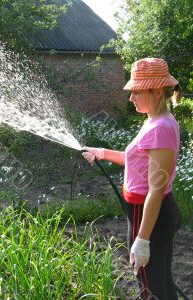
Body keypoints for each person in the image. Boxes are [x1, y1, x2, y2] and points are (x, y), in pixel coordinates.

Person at [82, 58, 182, 300]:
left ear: (157, 91)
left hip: (147, 216)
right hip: (156, 215)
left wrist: (143, 239)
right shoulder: (155, 121)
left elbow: (155, 190)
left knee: (149, 288)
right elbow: (139, 161)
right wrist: (102, 153)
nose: (131, 98)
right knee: (161, 282)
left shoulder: (159, 128)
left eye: (136, 91)